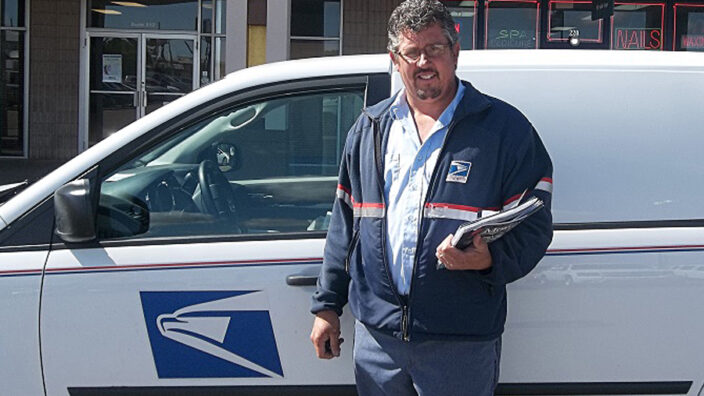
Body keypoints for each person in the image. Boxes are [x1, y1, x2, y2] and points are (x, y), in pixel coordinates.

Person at [310, 0, 553, 394]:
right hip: (378, 342)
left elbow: (535, 221)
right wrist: (327, 306)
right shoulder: (370, 129)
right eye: (412, 52)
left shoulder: (504, 130)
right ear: (395, 59)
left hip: (460, 343)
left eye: (435, 49)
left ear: (455, 51)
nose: (424, 61)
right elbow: (345, 224)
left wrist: (489, 258)